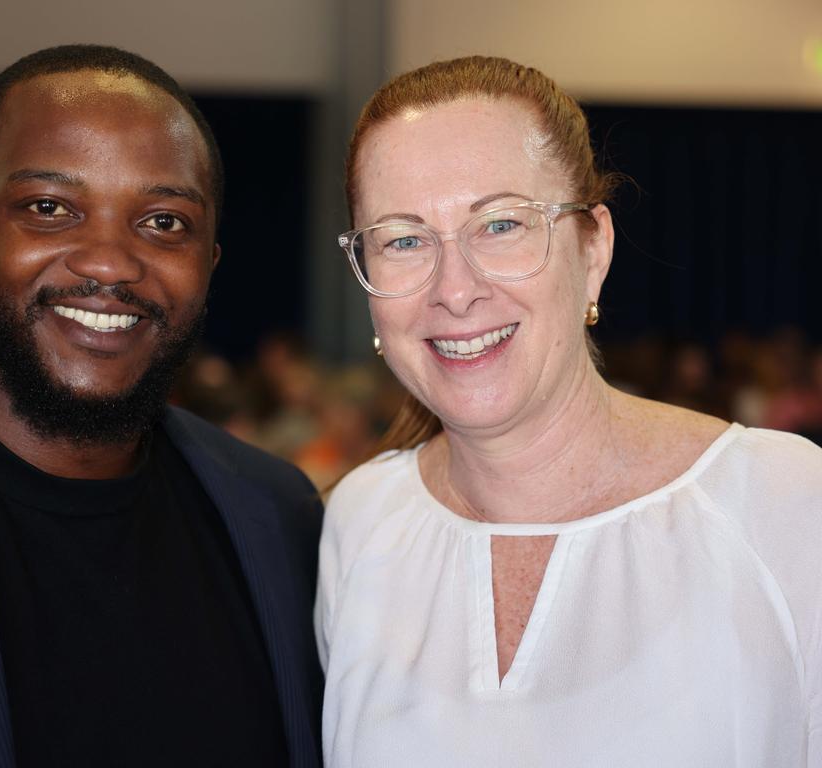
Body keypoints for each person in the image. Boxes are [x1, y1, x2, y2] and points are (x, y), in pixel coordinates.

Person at [0, 45, 323, 768]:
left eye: (165, 222)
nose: (109, 261)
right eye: (49, 209)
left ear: (209, 267)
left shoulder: (280, 513)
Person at [315, 56, 822, 767]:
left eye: (500, 225)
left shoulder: (783, 505)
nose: (454, 290)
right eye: (403, 240)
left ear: (594, 249)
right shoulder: (361, 524)